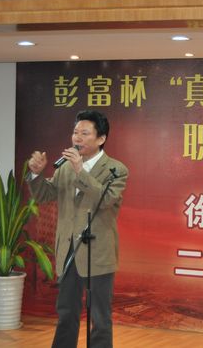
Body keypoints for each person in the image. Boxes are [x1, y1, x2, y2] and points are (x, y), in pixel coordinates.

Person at [27, 110, 128, 348]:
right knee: (66, 312)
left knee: (100, 317)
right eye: (75, 132)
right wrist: (36, 174)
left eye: (84, 133)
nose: (77, 138)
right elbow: (44, 195)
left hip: (98, 252)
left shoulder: (116, 169)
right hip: (68, 250)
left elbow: (105, 199)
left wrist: (80, 171)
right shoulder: (64, 168)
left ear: (101, 138)